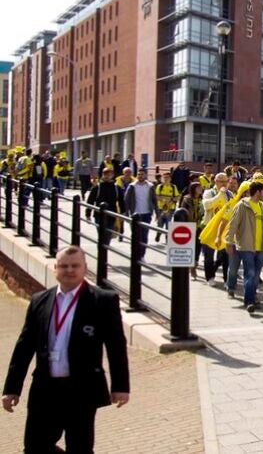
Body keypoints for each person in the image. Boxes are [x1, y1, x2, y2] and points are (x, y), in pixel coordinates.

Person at [2, 246, 130, 452]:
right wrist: (11, 388)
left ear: (85, 268)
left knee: (79, 448)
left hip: (81, 389)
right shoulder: (40, 300)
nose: (69, 270)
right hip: (45, 389)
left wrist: (120, 386)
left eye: (75, 266)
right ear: (55, 269)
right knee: (34, 447)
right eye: (63, 266)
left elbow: (116, 345)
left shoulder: (103, 301)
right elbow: (24, 346)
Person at [226, 182, 263, 313]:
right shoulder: (242, 206)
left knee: (256, 275)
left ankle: (252, 296)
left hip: (261, 247)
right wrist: (229, 242)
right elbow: (233, 224)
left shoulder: (262, 207)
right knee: (250, 273)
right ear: (258, 192)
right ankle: (249, 301)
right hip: (246, 246)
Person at [201, 173, 232, 285]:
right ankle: (210, 277)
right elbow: (207, 205)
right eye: (221, 181)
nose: (224, 184)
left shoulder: (230, 194)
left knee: (225, 256)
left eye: (226, 181)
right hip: (210, 227)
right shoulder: (209, 192)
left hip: (224, 228)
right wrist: (219, 195)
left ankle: (226, 278)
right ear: (215, 182)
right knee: (209, 256)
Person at [175, 183, 206, 279]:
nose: (200, 189)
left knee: (198, 247)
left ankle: (194, 266)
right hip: (189, 226)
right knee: (190, 247)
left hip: (200, 226)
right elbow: (182, 212)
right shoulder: (187, 199)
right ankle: (190, 267)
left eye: (201, 187)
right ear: (193, 189)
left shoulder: (203, 199)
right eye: (198, 187)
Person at [87, 168, 122, 250]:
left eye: (109, 174)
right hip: (98, 215)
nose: (107, 176)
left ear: (112, 176)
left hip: (111, 216)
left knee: (108, 236)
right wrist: (88, 214)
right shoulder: (97, 187)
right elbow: (90, 201)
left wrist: (123, 215)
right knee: (101, 236)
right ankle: (101, 253)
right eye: (105, 174)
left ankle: (104, 251)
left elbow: (121, 202)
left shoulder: (117, 188)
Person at [123, 170, 158, 246]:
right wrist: (126, 213)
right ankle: (135, 251)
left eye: (142, 174)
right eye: (138, 174)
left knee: (144, 235)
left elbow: (154, 200)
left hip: (147, 214)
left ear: (145, 175)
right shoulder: (132, 186)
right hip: (135, 214)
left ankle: (142, 252)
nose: (140, 176)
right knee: (135, 235)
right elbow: (126, 200)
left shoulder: (150, 186)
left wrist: (157, 213)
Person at [154, 171, 181, 242]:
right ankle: (158, 234)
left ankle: (167, 238)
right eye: (164, 177)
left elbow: (177, 197)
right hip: (160, 208)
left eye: (167, 177)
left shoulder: (173, 187)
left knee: (168, 224)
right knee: (160, 223)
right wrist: (163, 200)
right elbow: (156, 196)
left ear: (170, 179)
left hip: (170, 209)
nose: (166, 179)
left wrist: (171, 200)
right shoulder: (160, 186)